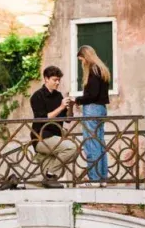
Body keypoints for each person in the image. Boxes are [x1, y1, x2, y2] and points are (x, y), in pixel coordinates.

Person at [30, 64, 76, 181]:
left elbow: (68, 120)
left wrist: (70, 107)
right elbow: (43, 118)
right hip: (41, 137)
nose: (57, 83)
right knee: (71, 148)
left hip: (56, 137)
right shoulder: (37, 96)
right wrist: (61, 107)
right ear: (46, 78)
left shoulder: (58, 95)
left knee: (74, 152)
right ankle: (50, 171)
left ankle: (45, 167)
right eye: (55, 80)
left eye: (59, 80)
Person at [78, 44, 111, 182]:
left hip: (91, 109)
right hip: (101, 109)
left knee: (91, 144)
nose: (82, 63)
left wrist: (77, 100)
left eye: (81, 60)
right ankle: (102, 178)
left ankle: (94, 179)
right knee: (100, 143)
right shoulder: (102, 69)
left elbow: (92, 95)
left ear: (86, 57)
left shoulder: (93, 70)